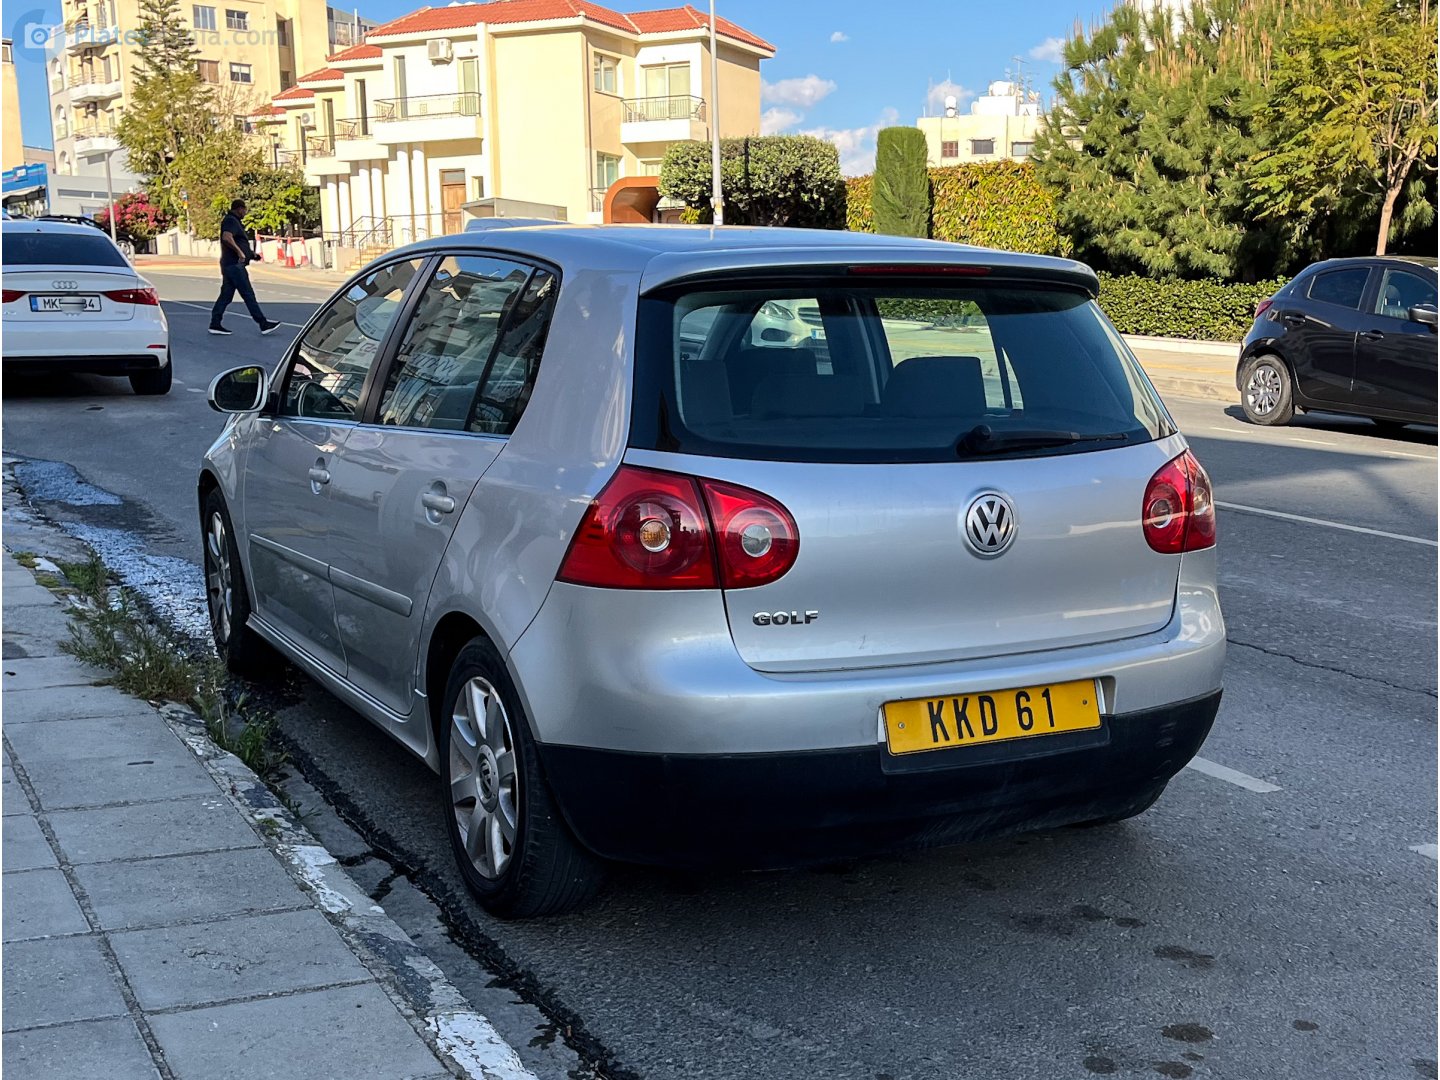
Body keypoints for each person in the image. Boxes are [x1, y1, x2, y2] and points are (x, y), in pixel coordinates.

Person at [209, 200, 280, 336]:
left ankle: (215, 323)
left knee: (226, 296)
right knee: (248, 295)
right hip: (235, 265)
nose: (245, 212)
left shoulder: (234, 221)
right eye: (244, 209)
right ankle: (263, 324)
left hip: (230, 264)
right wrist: (240, 253)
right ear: (239, 209)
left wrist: (251, 255)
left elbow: (238, 241)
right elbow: (227, 237)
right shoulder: (231, 220)